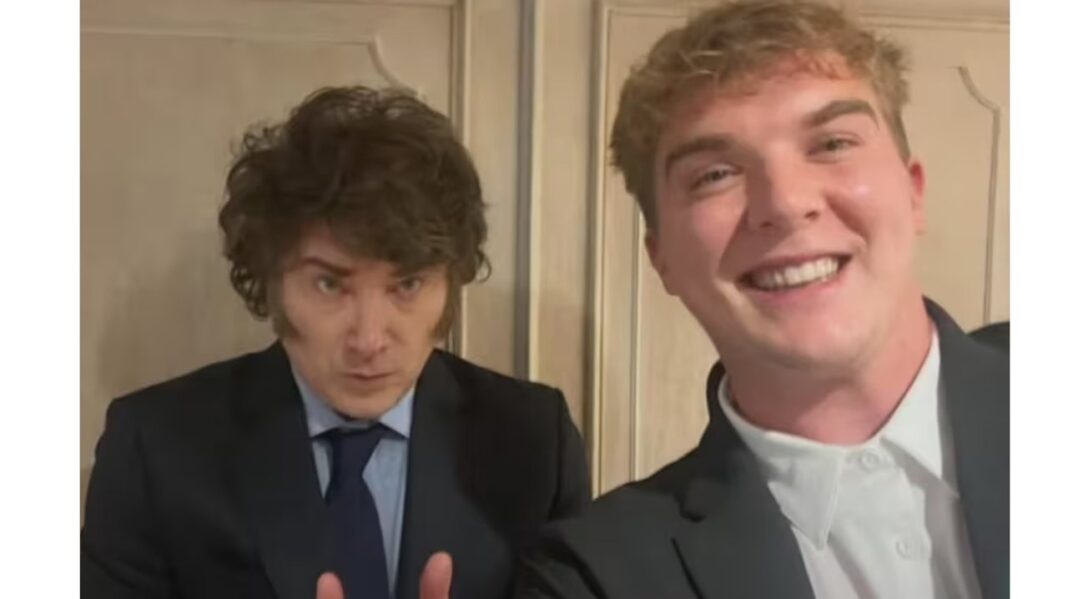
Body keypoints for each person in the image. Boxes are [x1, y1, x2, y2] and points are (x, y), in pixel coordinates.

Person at [519, 1, 1007, 598]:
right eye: (715, 175)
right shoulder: (593, 576)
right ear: (661, 258)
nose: (784, 203)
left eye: (831, 143)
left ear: (913, 192)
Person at [81, 85, 591, 599]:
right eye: (329, 284)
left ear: (451, 282)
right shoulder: (156, 448)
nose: (369, 339)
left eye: (407, 285)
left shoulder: (534, 444)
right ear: (272, 280)